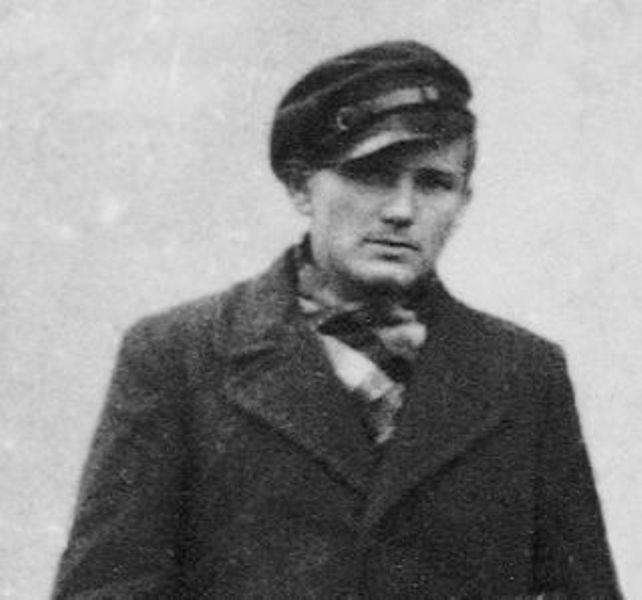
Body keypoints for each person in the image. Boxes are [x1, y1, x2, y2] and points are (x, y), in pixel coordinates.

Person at [53, 40, 621, 599]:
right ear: (301, 186)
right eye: (371, 175)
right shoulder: (180, 356)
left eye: (434, 183)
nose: (401, 210)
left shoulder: (524, 374)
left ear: (463, 202)